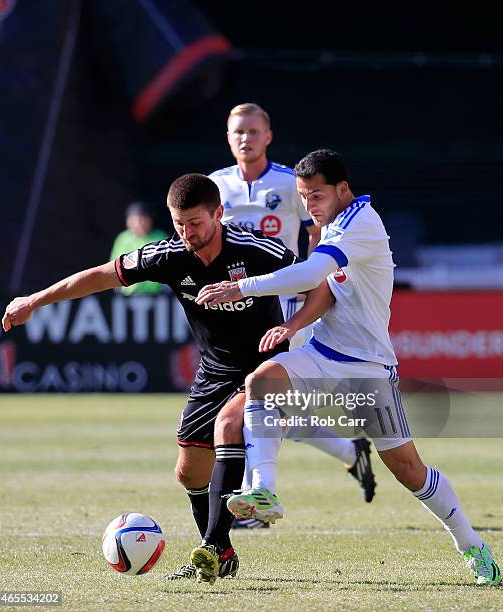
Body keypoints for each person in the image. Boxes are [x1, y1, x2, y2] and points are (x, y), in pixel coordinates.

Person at [2, 173, 333, 585]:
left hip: (266, 366)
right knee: (189, 472)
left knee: (228, 425)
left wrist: (296, 326)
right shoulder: (169, 255)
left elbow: (319, 286)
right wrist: (34, 301)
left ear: (218, 213)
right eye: (179, 223)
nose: (187, 232)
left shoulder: (257, 249)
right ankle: (224, 553)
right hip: (215, 370)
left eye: (195, 222)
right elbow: (101, 276)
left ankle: (211, 548)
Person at [195, 150, 502, 586]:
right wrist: (293, 325)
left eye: (316, 195)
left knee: (409, 471)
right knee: (260, 383)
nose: (309, 205)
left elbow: (312, 272)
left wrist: (240, 287)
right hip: (323, 353)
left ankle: (472, 545)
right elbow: (326, 289)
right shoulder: (332, 224)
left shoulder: (362, 222)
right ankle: (263, 489)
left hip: (369, 368)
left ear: (343, 188)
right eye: (302, 197)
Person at [209, 104, 375, 527]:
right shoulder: (216, 186)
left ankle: (254, 502)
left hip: (280, 305)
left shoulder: (289, 183)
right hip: (232, 306)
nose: (244, 138)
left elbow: (320, 230)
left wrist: (313, 284)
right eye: (237, 132)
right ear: (228, 138)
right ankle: (348, 451)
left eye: (252, 130)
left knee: (259, 402)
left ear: (268, 136)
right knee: (269, 405)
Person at [110, 201, 167, 296]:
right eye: (135, 220)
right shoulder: (123, 238)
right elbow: (114, 265)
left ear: (150, 220)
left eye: (143, 219)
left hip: (157, 296)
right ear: (128, 221)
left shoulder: (160, 237)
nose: (139, 223)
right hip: (128, 296)